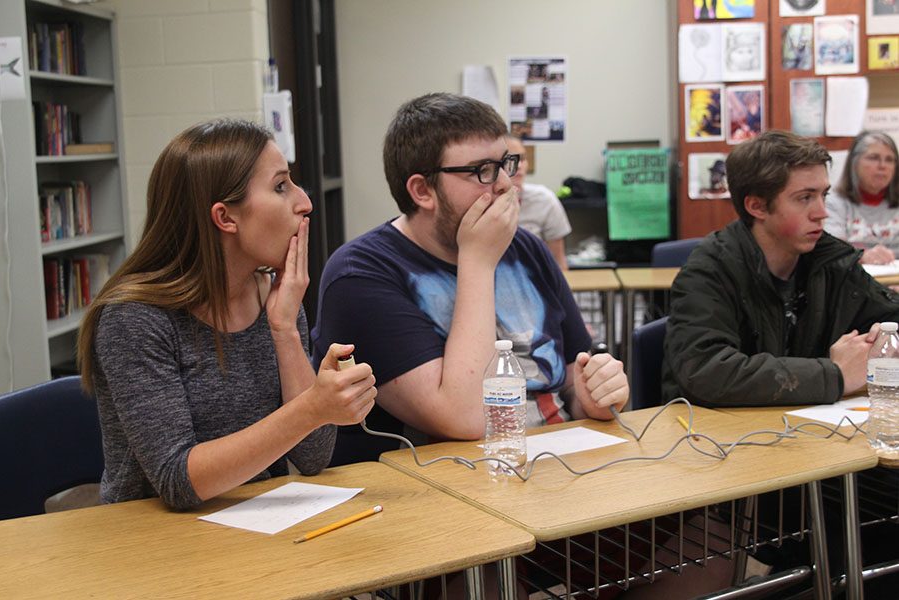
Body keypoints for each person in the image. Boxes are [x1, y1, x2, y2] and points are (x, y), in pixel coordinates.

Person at [312, 93, 628, 466]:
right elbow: (465, 418)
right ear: (422, 190)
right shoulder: (361, 275)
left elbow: (573, 380)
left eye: (505, 164)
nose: (506, 186)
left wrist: (593, 397)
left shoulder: (527, 248)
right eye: (482, 171)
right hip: (447, 496)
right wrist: (477, 261)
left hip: (557, 472)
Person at [76, 119, 377, 509]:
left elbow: (312, 457)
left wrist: (284, 328)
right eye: (280, 186)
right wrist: (312, 407)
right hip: (155, 545)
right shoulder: (134, 319)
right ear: (225, 218)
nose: (305, 202)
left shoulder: (276, 299)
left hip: (252, 529)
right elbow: (178, 481)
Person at [664, 130, 899, 408]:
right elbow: (706, 371)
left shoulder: (831, 260)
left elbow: (891, 316)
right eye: (805, 198)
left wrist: (881, 338)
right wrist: (834, 375)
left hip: (805, 431)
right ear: (757, 206)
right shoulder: (709, 271)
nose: (822, 211)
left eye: (823, 195)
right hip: (717, 438)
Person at [824, 130, 899, 265]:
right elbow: (832, 252)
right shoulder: (833, 203)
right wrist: (862, 256)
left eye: (889, 160)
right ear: (854, 163)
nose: (882, 166)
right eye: (874, 157)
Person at [506, 134, 572, 270]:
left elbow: (558, 261)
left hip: (536, 279)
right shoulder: (481, 202)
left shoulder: (544, 199)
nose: (518, 165)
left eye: (522, 158)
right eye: (510, 159)